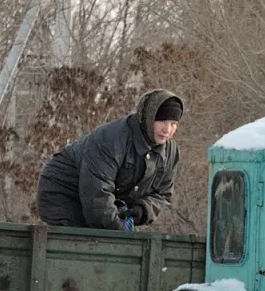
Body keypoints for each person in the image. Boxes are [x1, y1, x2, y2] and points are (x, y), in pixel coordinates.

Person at [36, 89, 183, 231]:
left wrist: (142, 209)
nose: (167, 129)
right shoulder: (110, 139)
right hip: (63, 194)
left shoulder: (170, 152)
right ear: (149, 117)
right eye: (162, 121)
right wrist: (123, 234)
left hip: (105, 203)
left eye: (173, 124)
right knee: (84, 245)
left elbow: (163, 194)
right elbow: (97, 194)